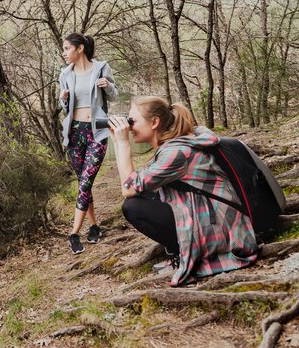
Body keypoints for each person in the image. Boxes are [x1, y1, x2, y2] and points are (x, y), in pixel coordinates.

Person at [108, 96, 259, 286]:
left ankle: (184, 254)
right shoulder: (174, 145)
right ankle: (179, 250)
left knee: (133, 207)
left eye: (133, 121)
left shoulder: (176, 153)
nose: (129, 127)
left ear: (155, 122)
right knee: (145, 195)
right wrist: (118, 140)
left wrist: (123, 143)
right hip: (215, 216)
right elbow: (139, 183)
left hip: (226, 230)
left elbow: (128, 189)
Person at [59, 33, 118, 255]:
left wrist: (108, 86)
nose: (64, 53)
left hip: (97, 132)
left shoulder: (101, 68)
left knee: (85, 182)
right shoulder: (65, 73)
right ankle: (94, 226)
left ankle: (73, 233)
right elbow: (63, 105)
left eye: (67, 48)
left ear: (80, 48)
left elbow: (113, 96)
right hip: (74, 133)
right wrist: (63, 98)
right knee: (84, 183)